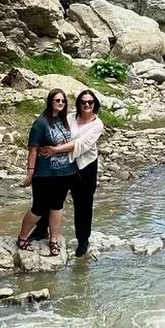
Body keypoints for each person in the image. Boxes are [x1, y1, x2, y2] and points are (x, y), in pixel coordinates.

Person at [16, 89, 76, 257]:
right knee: (39, 207)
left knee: (57, 206)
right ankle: (22, 238)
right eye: (57, 100)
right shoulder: (40, 124)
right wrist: (30, 174)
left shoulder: (65, 122)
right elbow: (33, 150)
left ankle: (54, 240)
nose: (60, 103)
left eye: (63, 101)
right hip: (44, 173)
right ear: (50, 102)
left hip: (64, 172)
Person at [62, 89, 105, 257]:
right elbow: (60, 134)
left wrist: (56, 149)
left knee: (83, 204)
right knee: (54, 197)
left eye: (90, 102)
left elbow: (82, 144)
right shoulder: (70, 118)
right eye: (83, 102)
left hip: (86, 166)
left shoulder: (97, 124)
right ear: (79, 103)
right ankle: (43, 230)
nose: (87, 104)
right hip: (65, 162)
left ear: (95, 104)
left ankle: (83, 240)